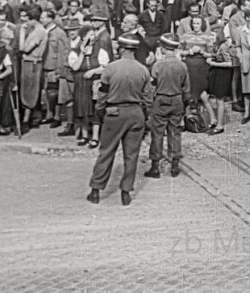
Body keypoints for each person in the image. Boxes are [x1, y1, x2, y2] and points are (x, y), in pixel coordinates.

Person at [87, 33, 152, 207]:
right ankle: (125, 192)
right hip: (136, 113)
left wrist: (100, 111)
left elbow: (102, 94)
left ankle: (96, 190)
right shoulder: (143, 70)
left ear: (122, 49)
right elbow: (148, 98)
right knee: (131, 155)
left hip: (114, 112)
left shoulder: (110, 68)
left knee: (107, 151)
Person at [144, 33, 190, 179]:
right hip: (177, 100)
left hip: (161, 99)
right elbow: (186, 89)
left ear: (163, 48)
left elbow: (152, 86)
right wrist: (185, 103)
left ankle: (155, 167)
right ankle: (175, 165)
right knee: (175, 132)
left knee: (157, 133)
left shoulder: (157, 65)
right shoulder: (182, 65)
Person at [178, 15, 217, 127]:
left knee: (202, 94)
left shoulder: (207, 37)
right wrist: (188, 52)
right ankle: (183, 120)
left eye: (198, 23)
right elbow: (179, 51)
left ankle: (211, 119)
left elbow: (212, 54)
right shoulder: (185, 36)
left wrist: (203, 53)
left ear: (202, 25)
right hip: (189, 66)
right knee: (187, 92)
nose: (196, 26)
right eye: (194, 23)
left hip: (201, 68)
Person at [18, 5, 48, 131]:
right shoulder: (36, 30)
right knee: (28, 90)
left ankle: (26, 120)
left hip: (32, 63)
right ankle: (29, 118)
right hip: (29, 62)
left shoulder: (39, 31)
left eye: (28, 19)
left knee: (30, 91)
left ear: (33, 19)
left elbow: (23, 48)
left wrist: (22, 32)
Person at [206, 30, 234, 134]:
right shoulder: (215, 46)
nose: (211, 38)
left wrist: (213, 63)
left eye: (213, 36)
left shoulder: (223, 47)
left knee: (220, 99)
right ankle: (215, 121)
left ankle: (220, 125)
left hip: (222, 74)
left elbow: (230, 63)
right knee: (211, 97)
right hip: (216, 74)